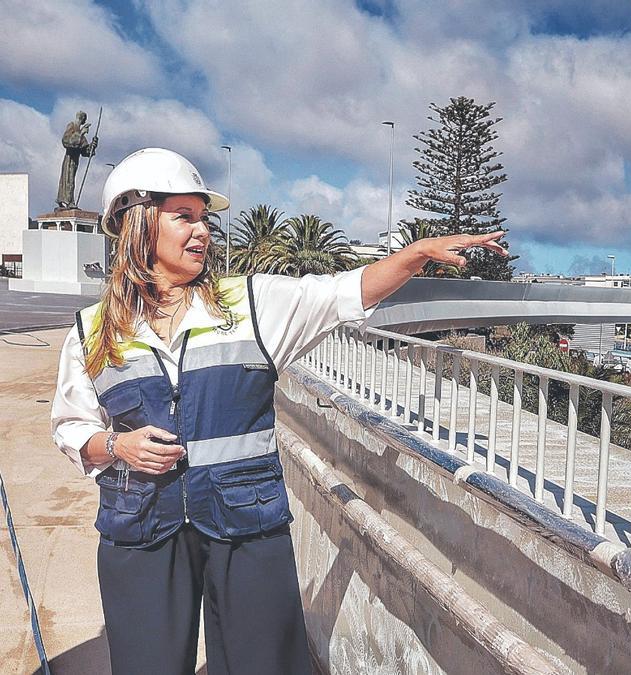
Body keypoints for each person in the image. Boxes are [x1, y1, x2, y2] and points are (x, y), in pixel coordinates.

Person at [50, 147, 506, 674]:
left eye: (205, 220)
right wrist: (116, 445)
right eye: (184, 217)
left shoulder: (250, 304)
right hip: (142, 526)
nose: (202, 232)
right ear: (138, 224)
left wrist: (414, 255)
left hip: (245, 524)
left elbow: (340, 294)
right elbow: (72, 426)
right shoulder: (93, 328)